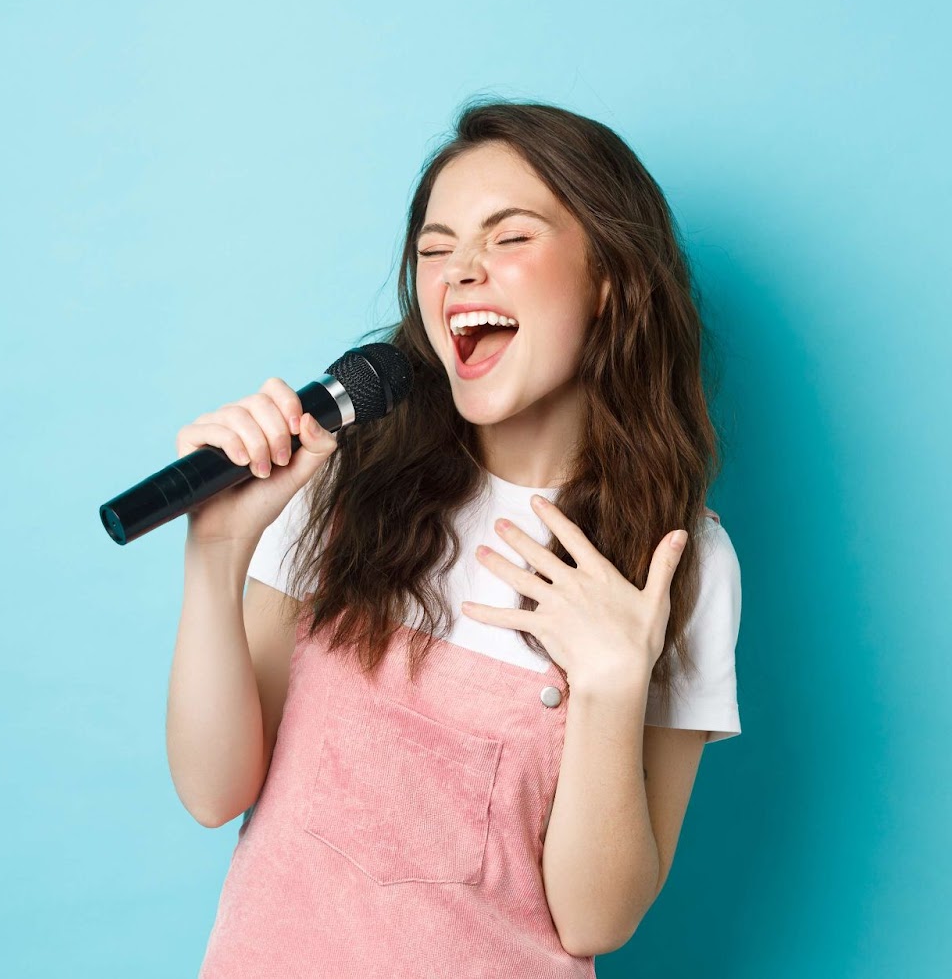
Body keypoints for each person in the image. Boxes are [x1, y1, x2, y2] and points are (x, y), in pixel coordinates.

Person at [166, 98, 743, 978]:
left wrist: (610, 686)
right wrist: (216, 555)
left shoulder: (681, 561)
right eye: (435, 249)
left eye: (508, 238)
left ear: (609, 280)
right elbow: (214, 793)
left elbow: (593, 922)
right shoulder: (338, 480)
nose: (460, 271)